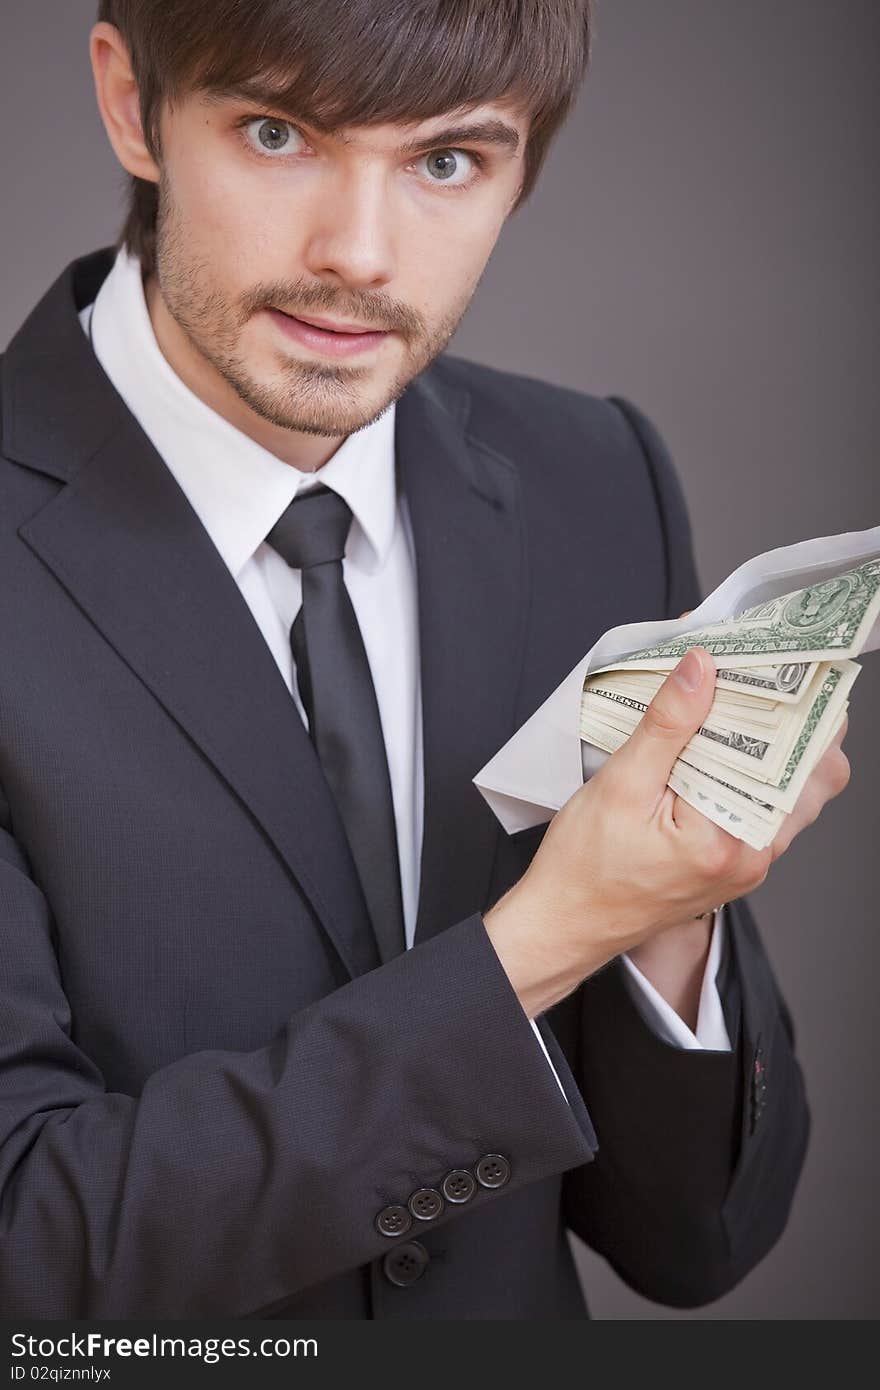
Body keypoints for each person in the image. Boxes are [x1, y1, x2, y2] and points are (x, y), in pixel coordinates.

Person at [0, 0, 847, 1319]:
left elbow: (698, 1241)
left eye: (448, 160)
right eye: (278, 133)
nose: (361, 255)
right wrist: (554, 932)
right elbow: (29, 1245)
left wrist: (672, 914)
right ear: (131, 103)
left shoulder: (597, 483)